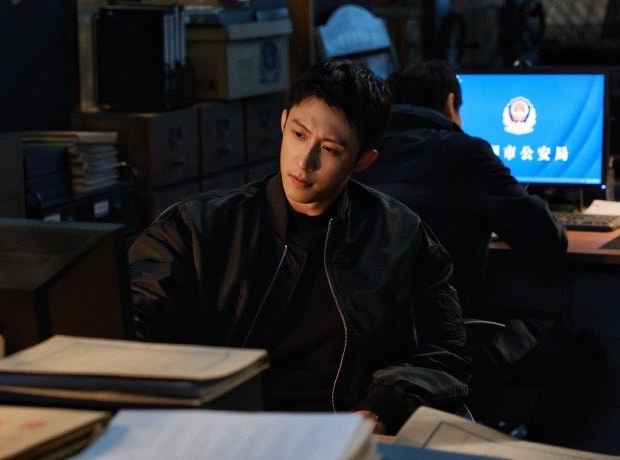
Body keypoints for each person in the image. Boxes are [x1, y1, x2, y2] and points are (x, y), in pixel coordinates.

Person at [128, 59, 471, 435]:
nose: (305, 161)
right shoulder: (198, 227)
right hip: (224, 431)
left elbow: (444, 351)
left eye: (330, 149)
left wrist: (379, 411)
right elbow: (134, 316)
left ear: (363, 160)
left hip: (344, 433)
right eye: (298, 134)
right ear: (283, 122)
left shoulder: (400, 236)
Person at [356, 59, 604, 445]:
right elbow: (548, 245)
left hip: (363, 341)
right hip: (446, 340)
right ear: (449, 103)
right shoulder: (463, 152)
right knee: (583, 353)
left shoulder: (358, 152)